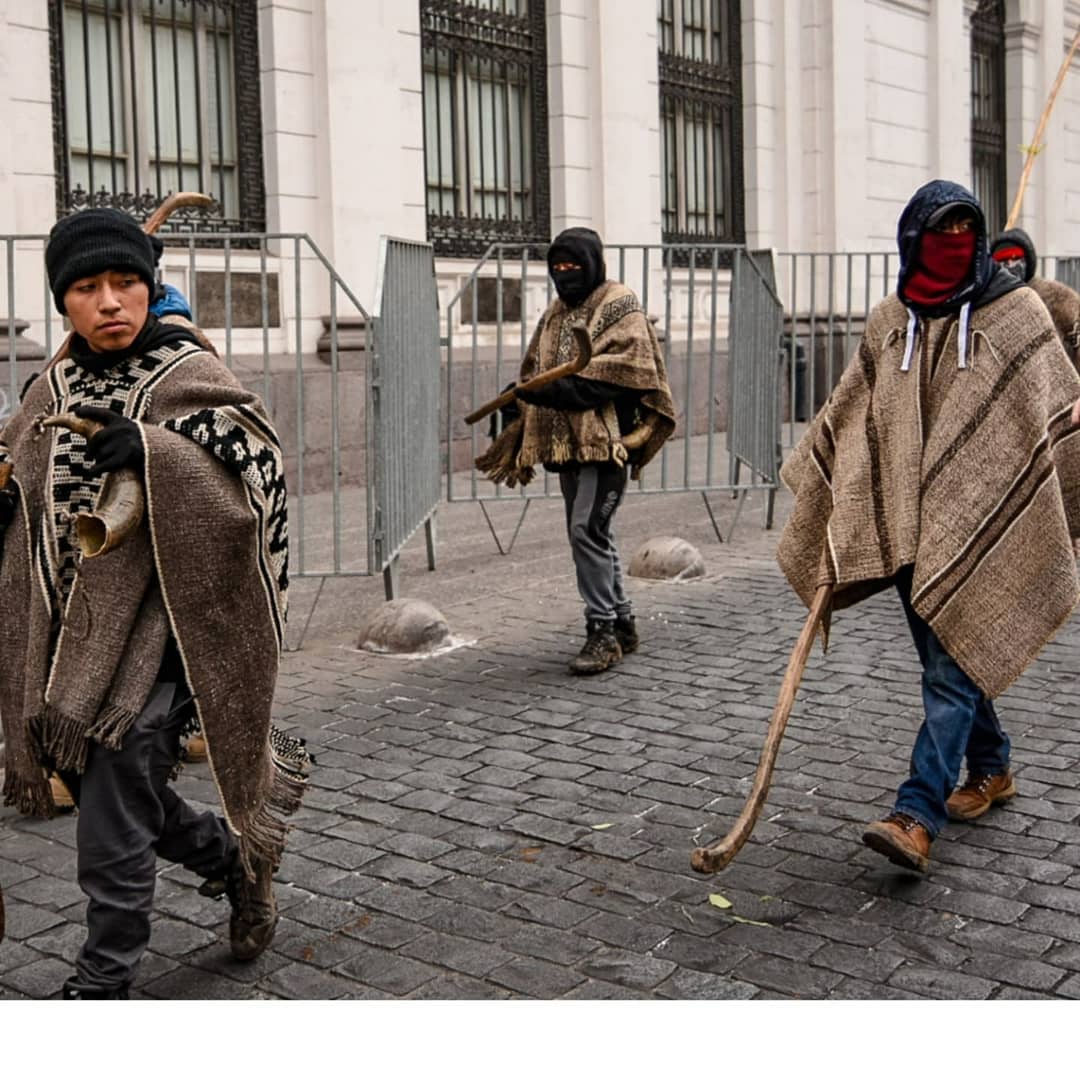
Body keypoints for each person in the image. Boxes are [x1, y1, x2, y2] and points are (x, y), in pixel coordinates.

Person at [0, 207, 304, 998]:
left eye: (125, 282)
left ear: (149, 286)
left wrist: (159, 452)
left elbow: (261, 474)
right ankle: (234, 860)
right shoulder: (51, 386)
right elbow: (24, 491)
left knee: (108, 819)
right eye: (87, 288)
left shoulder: (185, 372)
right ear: (63, 301)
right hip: (70, 639)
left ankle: (103, 983)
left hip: (165, 638)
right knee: (125, 793)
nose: (108, 302)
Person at [777, 180, 1080, 873]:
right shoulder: (890, 321)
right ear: (912, 239)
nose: (952, 244)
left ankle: (916, 812)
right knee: (948, 659)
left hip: (980, 514)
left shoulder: (1019, 312)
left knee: (947, 671)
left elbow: (1051, 396)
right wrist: (827, 487)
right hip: (908, 524)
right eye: (937, 231)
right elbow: (853, 407)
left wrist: (1066, 424)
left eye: (962, 231)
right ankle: (993, 765)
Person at [476, 227, 676, 674]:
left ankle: (601, 631)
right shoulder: (554, 313)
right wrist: (519, 398)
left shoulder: (619, 303)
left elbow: (625, 372)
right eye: (558, 268)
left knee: (587, 530)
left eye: (574, 266)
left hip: (607, 442)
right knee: (593, 535)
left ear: (593, 263)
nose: (565, 275)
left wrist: (559, 391)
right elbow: (537, 370)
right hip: (566, 445)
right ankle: (622, 622)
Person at [991, 227, 1080, 370]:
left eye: (1015, 258)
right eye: (1003, 260)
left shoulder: (1057, 298)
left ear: (1027, 260)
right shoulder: (989, 303)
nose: (1009, 266)